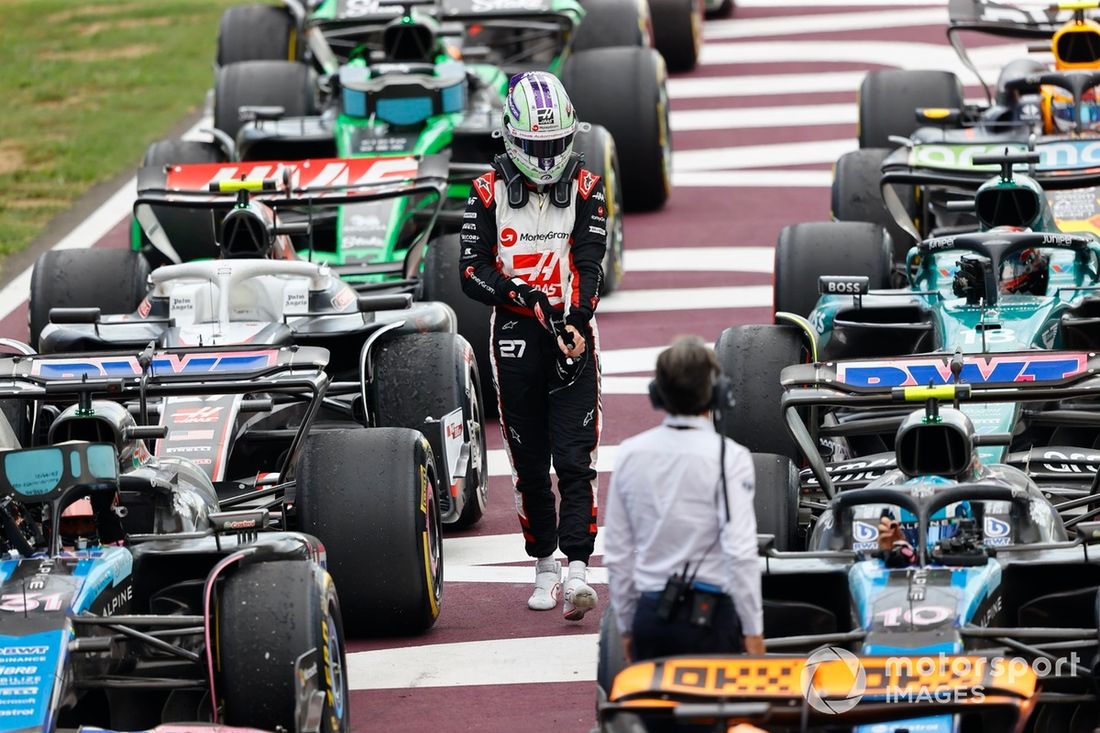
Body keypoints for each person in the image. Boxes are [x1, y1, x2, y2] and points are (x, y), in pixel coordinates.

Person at [460, 70, 606, 621]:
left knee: (575, 458)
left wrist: (575, 315)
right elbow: (470, 274)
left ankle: (577, 571)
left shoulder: (588, 189)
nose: (545, 159)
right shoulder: (483, 193)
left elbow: (592, 263)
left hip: (572, 336)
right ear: (511, 139)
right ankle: (542, 563)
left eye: (553, 146)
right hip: (515, 338)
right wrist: (525, 298)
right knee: (528, 462)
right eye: (534, 147)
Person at [602, 337, 765, 661]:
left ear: (657, 393)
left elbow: (617, 554)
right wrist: (753, 630)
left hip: (650, 616)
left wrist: (626, 625)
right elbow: (741, 552)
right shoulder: (730, 457)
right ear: (717, 394)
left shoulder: (630, 454)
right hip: (712, 618)